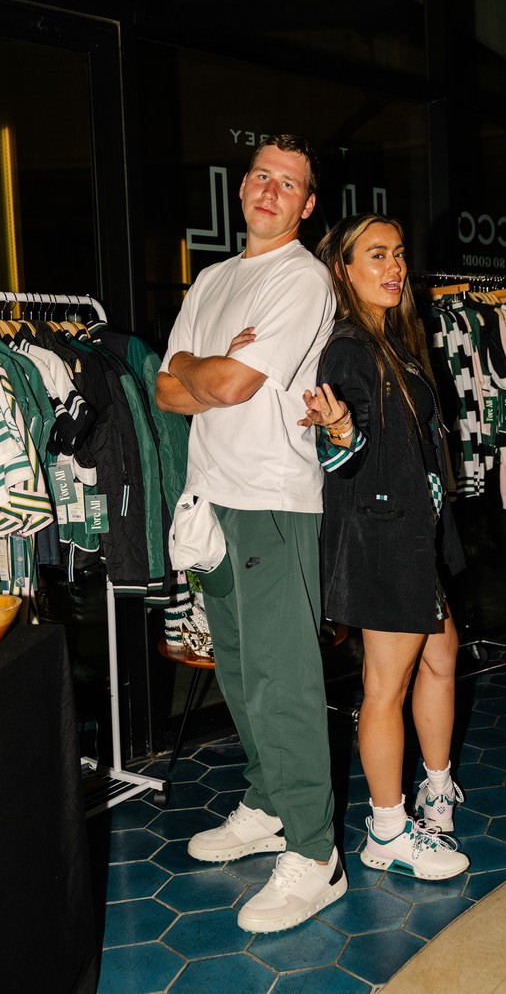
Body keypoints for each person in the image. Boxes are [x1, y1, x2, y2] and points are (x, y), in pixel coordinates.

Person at [155, 134, 347, 932]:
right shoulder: (212, 279)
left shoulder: (301, 280)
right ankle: (268, 804)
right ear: (243, 189)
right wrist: (204, 373)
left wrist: (206, 370)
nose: (271, 190)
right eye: (261, 176)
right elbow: (166, 389)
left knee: (284, 679)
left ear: (306, 205)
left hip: (272, 499)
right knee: (236, 669)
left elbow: (225, 381)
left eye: (289, 183)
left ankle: (315, 853)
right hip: (214, 500)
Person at [299, 212, 470, 882]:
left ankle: (434, 787)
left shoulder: (393, 340)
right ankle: (388, 829)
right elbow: (346, 445)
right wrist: (339, 431)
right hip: (382, 539)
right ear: (343, 270)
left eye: (398, 254)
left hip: (411, 535)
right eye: (375, 255)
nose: (393, 267)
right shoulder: (349, 347)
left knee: (442, 656)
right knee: (384, 686)